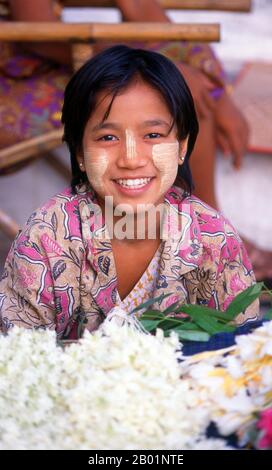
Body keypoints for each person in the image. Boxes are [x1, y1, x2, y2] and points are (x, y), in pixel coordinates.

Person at [0, 45, 259, 338]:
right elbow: (17, 362)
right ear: (80, 153)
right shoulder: (46, 241)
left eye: (153, 135)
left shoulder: (215, 239)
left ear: (182, 146)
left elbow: (243, 354)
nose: (131, 159)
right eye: (108, 137)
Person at [2, 0, 272, 279]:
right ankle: (206, 240)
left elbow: (144, 11)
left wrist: (219, 96)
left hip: (56, 64)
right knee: (174, 88)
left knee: (184, 59)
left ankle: (205, 232)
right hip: (13, 81)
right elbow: (38, 34)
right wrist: (147, 67)